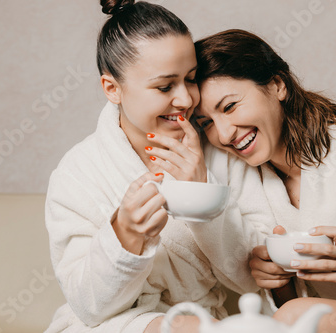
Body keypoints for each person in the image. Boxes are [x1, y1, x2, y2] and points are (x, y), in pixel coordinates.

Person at [188, 29, 336, 332]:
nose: (223, 134)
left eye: (230, 107)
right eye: (206, 123)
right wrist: (279, 284)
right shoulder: (249, 188)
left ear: (277, 84)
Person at [43, 1, 240, 332]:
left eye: (191, 79)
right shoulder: (78, 173)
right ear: (112, 89)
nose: (186, 99)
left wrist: (203, 198)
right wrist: (125, 237)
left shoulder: (220, 149)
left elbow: (249, 276)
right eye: (165, 86)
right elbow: (89, 308)